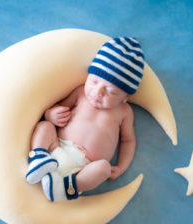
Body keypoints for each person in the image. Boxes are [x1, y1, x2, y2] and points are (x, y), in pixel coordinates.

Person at [26, 37, 145, 202]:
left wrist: (122, 166)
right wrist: (51, 115)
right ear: (89, 75)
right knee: (44, 127)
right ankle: (38, 158)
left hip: (83, 169)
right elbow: (59, 107)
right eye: (94, 81)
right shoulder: (80, 92)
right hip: (55, 147)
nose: (97, 92)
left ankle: (66, 189)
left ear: (125, 97)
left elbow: (128, 140)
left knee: (103, 168)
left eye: (111, 91)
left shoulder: (125, 112)